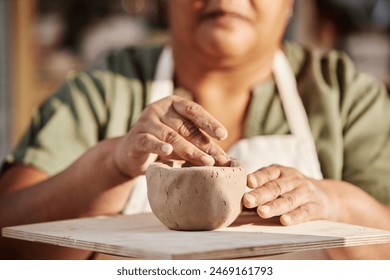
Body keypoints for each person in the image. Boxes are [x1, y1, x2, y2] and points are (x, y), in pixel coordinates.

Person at [1, 0, 390, 259]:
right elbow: (8, 240)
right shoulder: (104, 89)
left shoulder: (342, 94)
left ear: (289, 4)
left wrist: (336, 204)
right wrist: (112, 166)